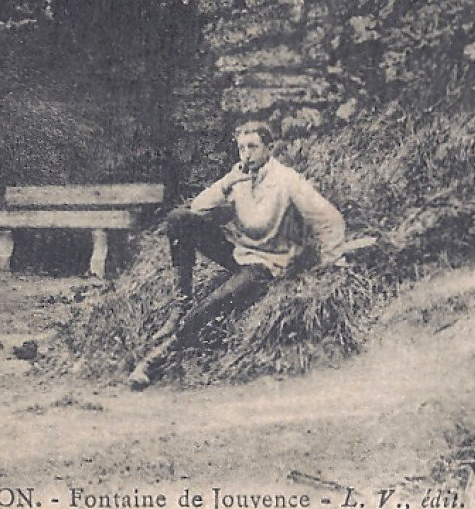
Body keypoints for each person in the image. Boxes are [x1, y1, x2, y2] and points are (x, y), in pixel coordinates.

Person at [127, 120, 347, 390]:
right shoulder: (240, 176)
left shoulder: (287, 181)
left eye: (253, 147)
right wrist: (228, 182)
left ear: (270, 148)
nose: (246, 154)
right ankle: (181, 304)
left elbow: (331, 219)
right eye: (242, 148)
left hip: (267, 264)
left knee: (211, 305)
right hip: (241, 254)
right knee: (179, 219)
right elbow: (198, 207)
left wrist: (330, 263)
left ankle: (155, 359)